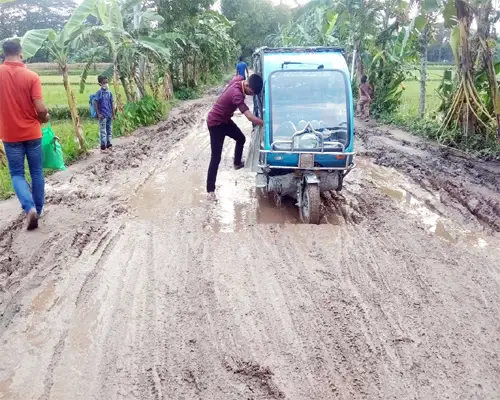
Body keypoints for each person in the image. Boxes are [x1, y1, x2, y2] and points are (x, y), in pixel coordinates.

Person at [0, 41, 49, 231]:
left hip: (10, 135)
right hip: (32, 133)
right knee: (36, 171)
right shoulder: (31, 76)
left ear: (4, 53)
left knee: (17, 174)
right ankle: (38, 209)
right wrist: (44, 117)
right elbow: (41, 108)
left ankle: (28, 208)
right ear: (21, 53)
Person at [206, 74, 264, 199]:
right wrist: (265, 123)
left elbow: (236, 77)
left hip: (225, 120)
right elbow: (249, 117)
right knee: (216, 158)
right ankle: (210, 190)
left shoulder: (239, 80)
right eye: (251, 92)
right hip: (215, 123)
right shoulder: (237, 94)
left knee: (241, 138)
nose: (251, 95)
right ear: (247, 85)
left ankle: (237, 163)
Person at [93, 75, 115, 153]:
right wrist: (98, 114)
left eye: (107, 82)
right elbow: (95, 102)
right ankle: (103, 148)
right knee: (103, 132)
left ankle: (109, 146)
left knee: (109, 131)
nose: (106, 84)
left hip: (109, 115)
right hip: (102, 115)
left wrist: (113, 113)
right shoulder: (99, 93)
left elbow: (112, 103)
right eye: (104, 83)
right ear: (100, 84)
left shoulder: (109, 93)